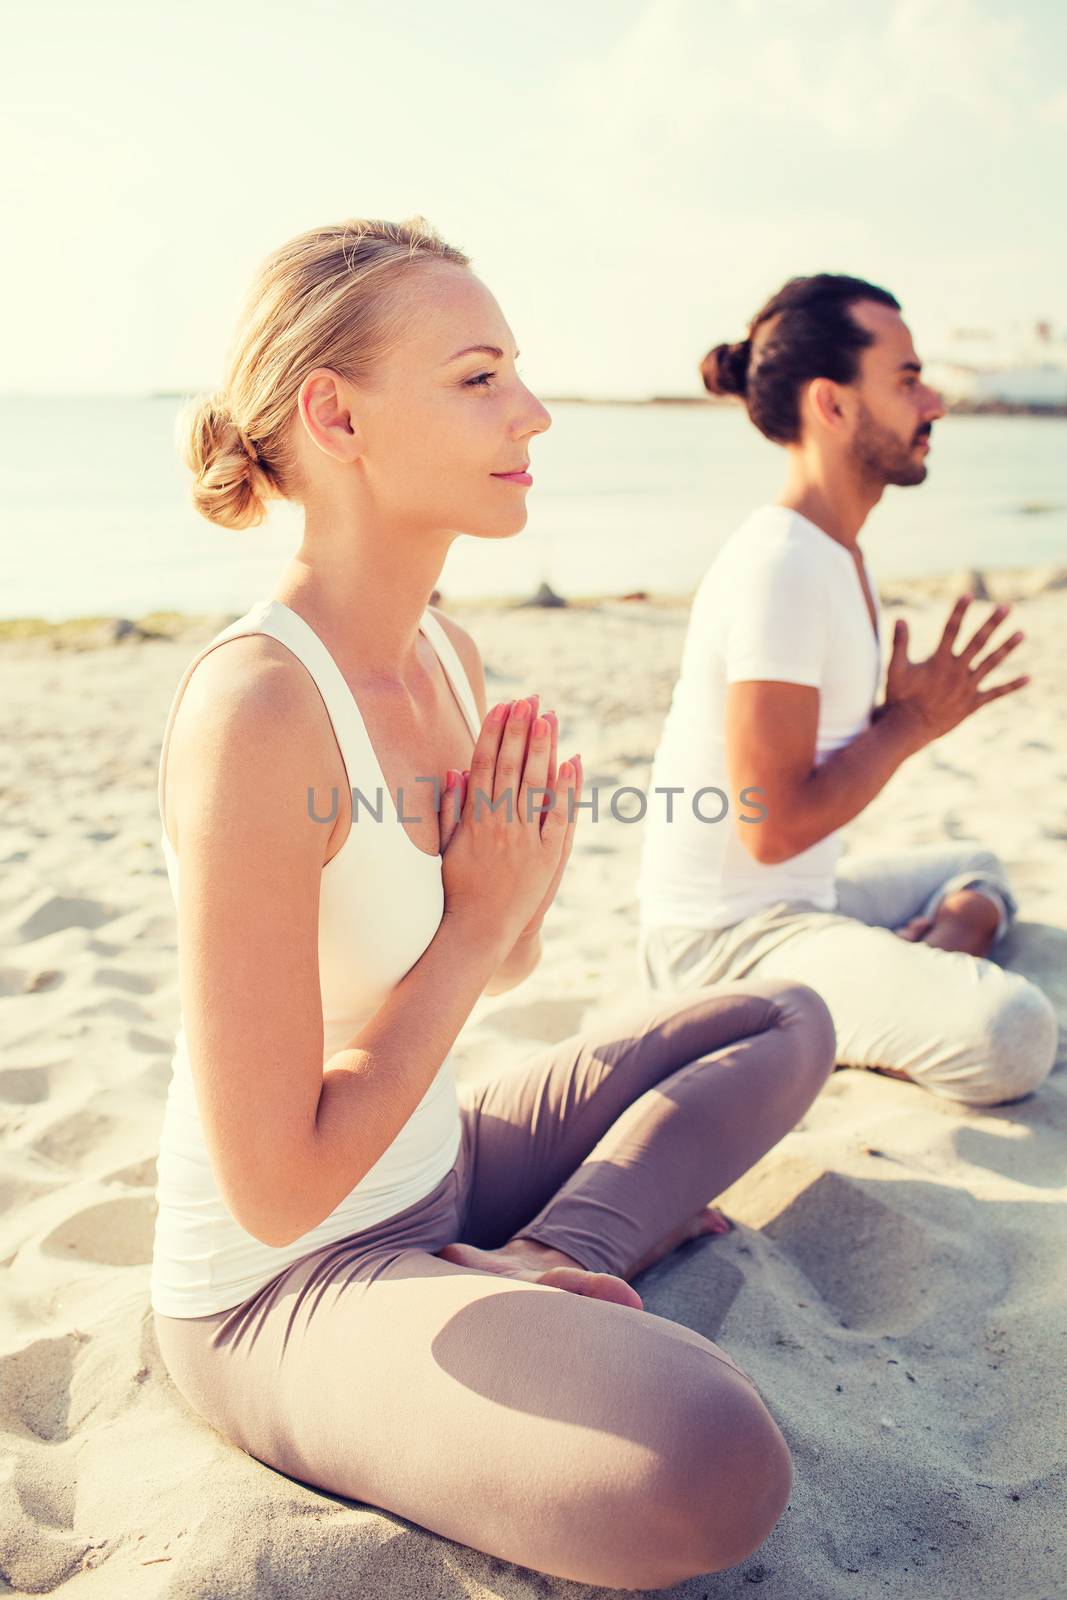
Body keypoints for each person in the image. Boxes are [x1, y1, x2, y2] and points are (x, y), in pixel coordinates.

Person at [150, 217, 838, 1591]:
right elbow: (276, 1187)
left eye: (514, 371)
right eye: (477, 377)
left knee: (783, 1015)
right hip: (283, 1283)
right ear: (333, 413)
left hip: (433, 1170)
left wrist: (513, 896)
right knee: (706, 1463)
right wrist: (475, 918)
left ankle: (539, 1250)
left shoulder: (445, 655)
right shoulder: (258, 708)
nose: (529, 411)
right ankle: (522, 1264)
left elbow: (500, 970)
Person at [635, 273, 1058, 1108]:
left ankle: (932, 954)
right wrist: (904, 724)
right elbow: (772, 825)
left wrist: (888, 722)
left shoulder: (836, 553)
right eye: (905, 379)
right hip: (723, 949)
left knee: (974, 869)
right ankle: (896, 987)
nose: (933, 400)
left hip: (804, 903)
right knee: (1013, 1030)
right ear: (831, 405)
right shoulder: (782, 564)